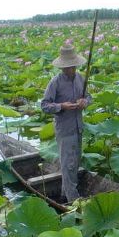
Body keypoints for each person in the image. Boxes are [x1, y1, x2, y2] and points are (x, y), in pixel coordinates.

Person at [41, 44, 92, 202]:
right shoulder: (55, 82)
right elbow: (44, 105)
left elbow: (89, 97)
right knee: (67, 164)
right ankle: (73, 201)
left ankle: (65, 194)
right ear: (62, 67)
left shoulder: (80, 78)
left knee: (75, 163)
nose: (70, 70)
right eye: (67, 67)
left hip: (78, 127)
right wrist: (61, 106)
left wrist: (85, 102)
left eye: (72, 66)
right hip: (65, 128)